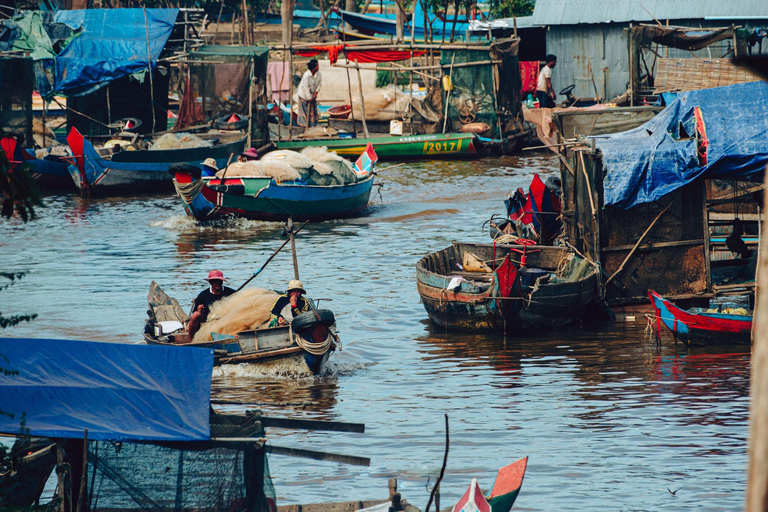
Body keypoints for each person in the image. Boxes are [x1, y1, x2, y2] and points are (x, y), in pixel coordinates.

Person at [188, 269, 236, 339]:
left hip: (226, 318)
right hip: (208, 318)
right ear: (210, 282)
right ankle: (191, 341)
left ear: (222, 281)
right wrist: (199, 310)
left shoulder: (230, 292)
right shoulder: (203, 295)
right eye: (215, 281)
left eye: (219, 281)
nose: (217, 283)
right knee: (196, 315)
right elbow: (195, 313)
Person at [296, 59, 322, 129]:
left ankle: (313, 125)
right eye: (317, 65)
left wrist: (316, 92)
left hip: (312, 94)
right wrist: (309, 98)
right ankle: (304, 127)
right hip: (304, 95)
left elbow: (320, 84)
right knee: (305, 112)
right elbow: (305, 87)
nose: (318, 67)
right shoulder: (306, 75)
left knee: (313, 111)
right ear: (314, 67)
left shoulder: (318, 74)